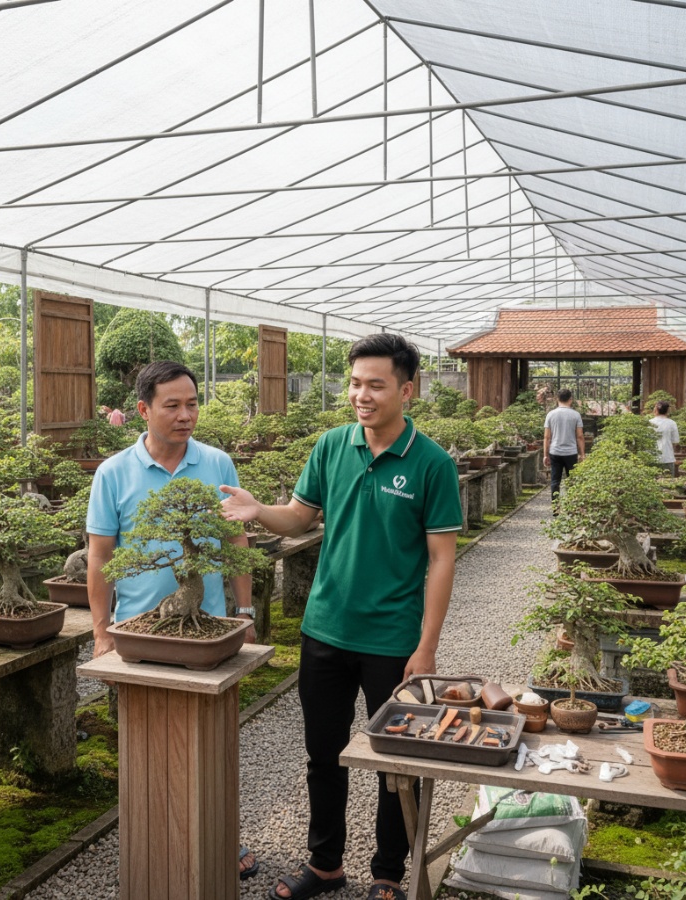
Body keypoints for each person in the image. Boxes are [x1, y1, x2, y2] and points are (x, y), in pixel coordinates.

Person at [220, 334, 462, 900]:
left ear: (407, 389)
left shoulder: (432, 464)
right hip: (324, 631)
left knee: (394, 761)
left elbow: (442, 559)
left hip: (393, 640)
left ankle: (387, 874)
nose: (361, 395)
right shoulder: (331, 447)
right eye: (355, 383)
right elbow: (300, 518)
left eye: (375, 385)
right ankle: (326, 865)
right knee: (322, 755)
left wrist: (425, 647)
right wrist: (259, 510)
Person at [85, 360, 260, 881]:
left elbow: (236, 539)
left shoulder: (217, 463)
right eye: (173, 405)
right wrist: (99, 633)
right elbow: (98, 557)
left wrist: (243, 611)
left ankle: (218, 838)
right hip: (137, 634)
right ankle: (150, 847)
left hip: (204, 628)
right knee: (144, 747)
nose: (186, 415)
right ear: (143, 410)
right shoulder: (113, 472)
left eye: (192, 403)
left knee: (212, 745)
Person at [543, 388, 585, 503]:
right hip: (571, 452)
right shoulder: (576, 415)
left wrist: (545, 455)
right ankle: (572, 506)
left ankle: (556, 508)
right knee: (572, 480)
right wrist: (582, 454)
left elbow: (547, 437)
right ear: (570, 399)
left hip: (555, 452)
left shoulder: (550, 415)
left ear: (557, 399)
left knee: (555, 480)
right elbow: (580, 436)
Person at [650, 400, 680, 476]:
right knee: (669, 483)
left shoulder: (649, 422)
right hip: (668, 457)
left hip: (651, 457)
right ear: (667, 410)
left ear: (655, 410)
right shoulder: (672, 423)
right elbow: (675, 441)